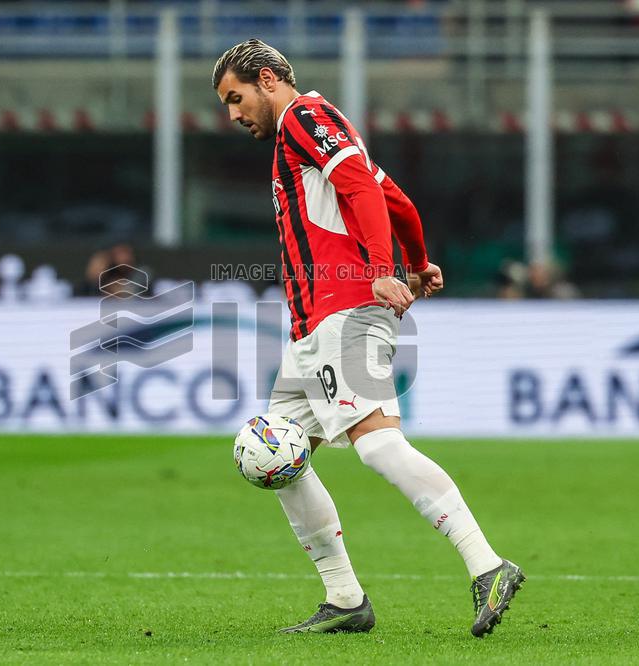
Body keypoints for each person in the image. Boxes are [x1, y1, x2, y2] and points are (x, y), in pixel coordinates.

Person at [213, 39, 523, 637]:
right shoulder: (316, 132)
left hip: (346, 310)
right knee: (278, 458)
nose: (232, 114)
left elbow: (358, 185)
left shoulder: (304, 117)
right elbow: (394, 198)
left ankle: (488, 565)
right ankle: (345, 599)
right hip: (312, 329)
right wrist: (419, 260)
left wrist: (385, 268)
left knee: (377, 446)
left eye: (235, 97)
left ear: (268, 79)